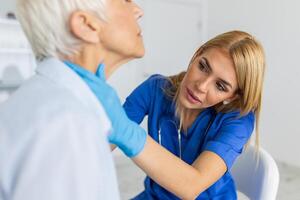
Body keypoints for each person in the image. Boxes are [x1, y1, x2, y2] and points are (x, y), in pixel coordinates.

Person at [91, 30, 265, 199]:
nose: (201, 86)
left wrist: (127, 133)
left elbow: (191, 187)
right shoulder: (155, 90)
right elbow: (101, 145)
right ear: (196, 55)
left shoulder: (238, 121)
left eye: (220, 86)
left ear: (233, 95)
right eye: (203, 66)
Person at [0, 0, 145, 199]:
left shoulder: (44, 100)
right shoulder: (69, 123)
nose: (139, 11)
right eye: (125, 0)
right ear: (86, 25)